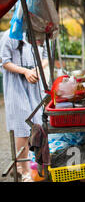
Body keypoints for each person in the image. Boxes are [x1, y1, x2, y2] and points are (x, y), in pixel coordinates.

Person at [1, 32, 48, 182]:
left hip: (34, 82)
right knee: (22, 124)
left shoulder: (39, 33)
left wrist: (36, 69)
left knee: (37, 122)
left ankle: (35, 164)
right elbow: (5, 62)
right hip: (16, 84)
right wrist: (25, 71)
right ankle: (23, 169)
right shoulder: (9, 36)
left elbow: (46, 57)